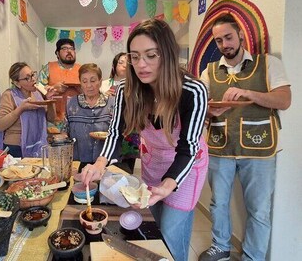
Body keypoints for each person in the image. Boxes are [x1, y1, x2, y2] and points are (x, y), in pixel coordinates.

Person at [81, 19, 209, 261]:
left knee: (172, 233)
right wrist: (100, 165)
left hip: (185, 169)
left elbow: (189, 147)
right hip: (154, 161)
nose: (142, 65)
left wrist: (167, 185)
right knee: (156, 227)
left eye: (151, 55)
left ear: (168, 55)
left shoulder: (192, 91)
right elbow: (116, 132)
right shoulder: (126, 90)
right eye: (135, 56)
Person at [198, 14, 291, 261]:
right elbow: (199, 107)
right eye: (218, 40)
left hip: (259, 149)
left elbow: (284, 100)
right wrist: (209, 109)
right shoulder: (208, 72)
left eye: (228, 37)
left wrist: (248, 92)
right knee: (218, 203)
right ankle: (221, 247)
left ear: (241, 35)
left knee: (259, 210)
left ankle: (253, 257)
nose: (224, 44)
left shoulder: (269, 64)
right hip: (220, 146)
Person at [0, 62, 56, 158]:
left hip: (37, 143)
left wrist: (50, 99)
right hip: (16, 147)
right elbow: (0, 125)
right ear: (17, 83)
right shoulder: (9, 95)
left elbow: (52, 118)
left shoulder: (37, 93)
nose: (33, 79)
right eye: (28, 78)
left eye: (33, 75)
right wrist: (20, 109)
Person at [66, 63, 115, 163]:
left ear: (100, 82)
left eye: (93, 81)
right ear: (80, 83)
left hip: (105, 162)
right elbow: (64, 131)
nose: (89, 85)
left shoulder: (112, 103)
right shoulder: (71, 103)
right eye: (84, 81)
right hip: (77, 162)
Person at [101, 52, 140, 173]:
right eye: (121, 62)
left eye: (128, 63)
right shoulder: (104, 84)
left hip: (129, 129)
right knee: (108, 165)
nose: (125, 65)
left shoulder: (136, 86)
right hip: (107, 127)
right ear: (114, 66)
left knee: (126, 168)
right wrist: (104, 95)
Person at [38, 38, 81, 132]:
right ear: (57, 53)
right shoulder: (48, 68)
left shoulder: (82, 70)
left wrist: (81, 89)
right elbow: (37, 92)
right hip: (53, 122)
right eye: (65, 48)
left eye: (72, 48)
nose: (69, 51)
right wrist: (54, 88)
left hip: (78, 120)